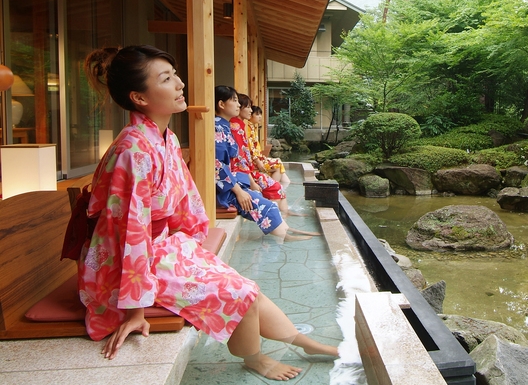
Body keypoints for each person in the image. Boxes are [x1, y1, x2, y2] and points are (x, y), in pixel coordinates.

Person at [80, 45, 337, 380]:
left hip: (160, 247)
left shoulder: (163, 138)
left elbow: (182, 200)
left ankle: (305, 343)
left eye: (175, 75)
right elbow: (130, 232)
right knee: (239, 292)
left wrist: (190, 242)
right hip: (124, 265)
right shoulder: (134, 150)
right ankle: (254, 359)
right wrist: (135, 310)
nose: (180, 84)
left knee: (246, 285)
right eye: (167, 78)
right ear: (139, 98)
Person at [215, 87, 314, 234]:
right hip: (226, 188)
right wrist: (239, 191)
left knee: (268, 198)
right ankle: (284, 235)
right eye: (234, 101)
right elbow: (217, 166)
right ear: (221, 104)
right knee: (265, 204)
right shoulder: (220, 128)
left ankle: (285, 229)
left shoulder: (226, 126)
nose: (238, 105)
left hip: (235, 180)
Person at [214, 86, 289, 215]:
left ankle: (284, 214)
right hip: (240, 175)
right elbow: (236, 160)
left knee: (277, 184)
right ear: (221, 104)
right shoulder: (233, 127)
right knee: (276, 187)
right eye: (247, 107)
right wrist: (251, 181)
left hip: (243, 172)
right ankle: (283, 216)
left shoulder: (236, 125)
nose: (250, 110)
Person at [246, 103, 290, 184]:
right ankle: (274, 188)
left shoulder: (252, 127)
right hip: (253, 161)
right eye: (257, 114)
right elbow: (250, 147)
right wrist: (258, 161)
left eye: (260, 114)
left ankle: (284, 186)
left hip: (257, 158)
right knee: (278, 165)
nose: (260, 117)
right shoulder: (248, 128)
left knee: (278, 162)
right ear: (250, 115)